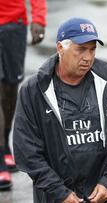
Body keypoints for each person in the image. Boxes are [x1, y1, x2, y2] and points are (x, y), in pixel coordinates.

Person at [12, 17, 107, 203]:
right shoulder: (33, 90)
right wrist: (59, 192)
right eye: (80, 49)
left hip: (103, 196)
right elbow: (27, 150)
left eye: (92, 49)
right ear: (60, 48)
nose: (88, 57)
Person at [0, 0, 46, 190]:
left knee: (10, 91)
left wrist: (39, 17)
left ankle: (5, 139)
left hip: (14, 23)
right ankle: (0, 154)